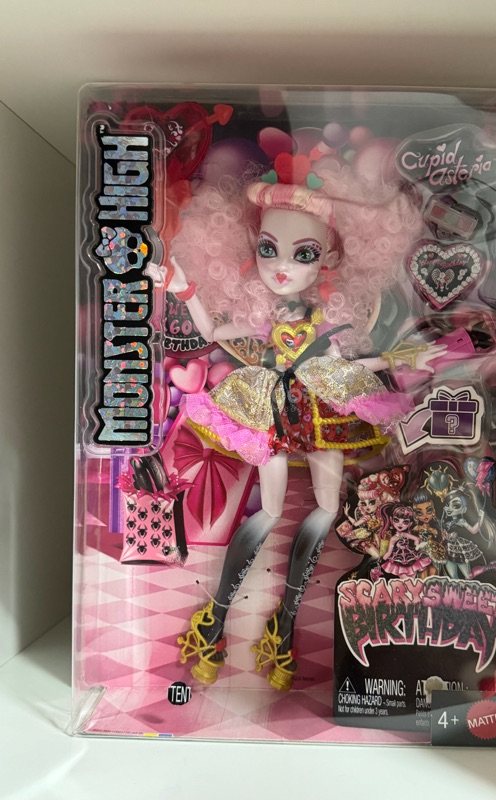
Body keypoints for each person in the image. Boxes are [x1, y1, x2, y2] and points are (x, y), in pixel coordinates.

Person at [149, 157, 443, 690]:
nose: (282, 265)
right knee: (270, 510)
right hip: (271, 405)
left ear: (330, 256)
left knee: (326, 507)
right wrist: (183, 287)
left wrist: (403, 358)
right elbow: (213, 332)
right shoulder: (261, 315)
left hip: (323, 404)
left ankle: (283, 625)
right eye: (269, 249)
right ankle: (215, 618)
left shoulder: (333, 315)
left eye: (302, 253)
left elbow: (352, 360)